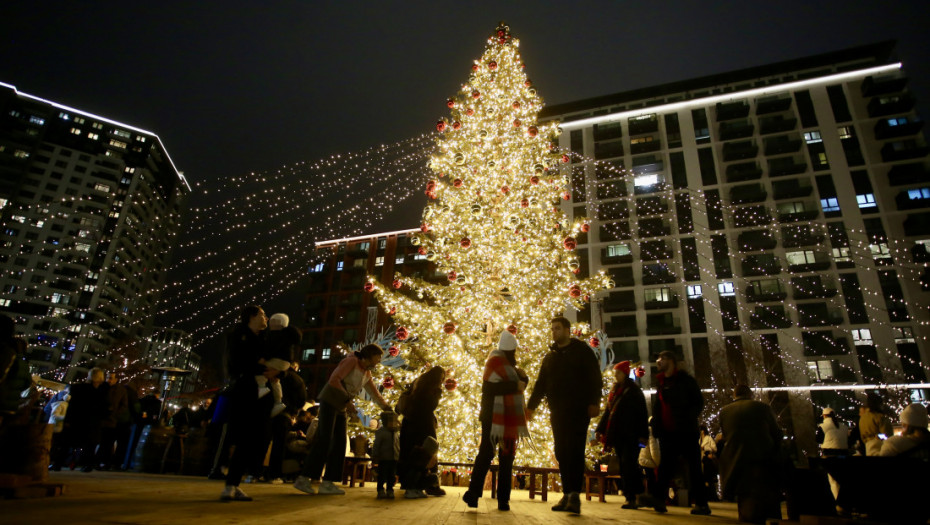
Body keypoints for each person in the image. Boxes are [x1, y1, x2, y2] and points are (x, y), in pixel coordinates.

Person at [526, 317, 602, 515]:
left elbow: (594, 377)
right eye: (552, 329)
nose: (554, 332)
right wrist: (530, 408)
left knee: (575, 450)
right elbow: (541, 384)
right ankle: (567, 493)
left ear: (568, 330)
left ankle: (574, 494)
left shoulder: (582, 352)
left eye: (558, 328)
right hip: (557, 411)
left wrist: (595, 402)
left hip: (578, 410)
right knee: (561, 451)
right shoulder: (550, 357)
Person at [293, 344, 391, 495]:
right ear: (370, 355)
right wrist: (347, 401)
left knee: (340, 442)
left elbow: (374, 393)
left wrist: (386, 407)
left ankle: (328, 482)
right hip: (331, 400)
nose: (379, 361)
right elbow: (334, 379)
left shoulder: (366, 373)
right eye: (378, 357)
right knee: (325, 438)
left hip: (341, 406)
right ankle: (304, 478)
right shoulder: (351, 362)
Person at [463, 331, 529, 511]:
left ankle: (486, 496)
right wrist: (516, 384)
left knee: (496, 455)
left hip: (502, 418)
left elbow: (520, 383)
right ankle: (485, 496)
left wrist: (522, 379)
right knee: (495, 454)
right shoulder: (494, 363)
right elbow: (490, 388)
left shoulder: (508, 366)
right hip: (494, 416)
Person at [649, 350, 711, 515]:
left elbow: (697, 402)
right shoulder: (662, 383)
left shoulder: (686, 381)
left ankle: (702, 504)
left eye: (661, 358)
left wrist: (687, 418)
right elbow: (658, 408)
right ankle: (659, 500)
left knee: (694, 468)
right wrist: (657, 426)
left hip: (686, 431)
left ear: (671, 360)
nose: (658, 361)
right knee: (665, 468)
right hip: (667, 433)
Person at [220, 357, 290, 501]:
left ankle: (234, 483)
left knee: (254, 442)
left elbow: (284, 365)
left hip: (261, 396)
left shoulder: (267, 343)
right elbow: (237, 362)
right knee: (244, 440)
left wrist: (278, 372)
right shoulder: (249, 340)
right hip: (248, 393)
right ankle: (231, 482)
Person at [718, 385, 783, 524]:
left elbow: (725, 434)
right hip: (761, 457)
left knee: (745, 495)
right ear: (750, 394)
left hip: (735, 459)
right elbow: (776, 433)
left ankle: (746, 515)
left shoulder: (724, 411)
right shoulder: (763, 408)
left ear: (734, 395)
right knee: (761, 494)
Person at [595, 360, 648, 509]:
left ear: (624, 373)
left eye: (617, 373)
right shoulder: (615, 392)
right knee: (625, 466)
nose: (615, 376)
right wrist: (600, 429)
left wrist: (643, 435)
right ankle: (635, 495)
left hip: (631, 435)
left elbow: (642, 413)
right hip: (619, 435)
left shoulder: (633, 391)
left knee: (628, 464)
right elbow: (609, 411)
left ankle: (632, 496)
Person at [398, 365, 446, 498]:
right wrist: (438, 394)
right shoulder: (432, 389)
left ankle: (409, 483)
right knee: (426, 453)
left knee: (411, 453)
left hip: (409, 422)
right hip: (423, 423)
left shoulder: (418, 382)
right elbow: (430, 406)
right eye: (441, 378)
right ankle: (428, 485)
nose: (442, 381)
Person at [53, 368, 108, 472]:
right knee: (89, 446)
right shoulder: (101, 392)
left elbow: (72, 405)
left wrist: (68, 420)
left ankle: (58, 463)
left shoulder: (78, 388)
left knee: (67, 443)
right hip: (91, 422)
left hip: (77, 420)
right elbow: (104, 408)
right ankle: (87, 465)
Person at [226, 305, 267, 384]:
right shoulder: (237, 337)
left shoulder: (263, 339)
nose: (266, 318)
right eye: (262, 315)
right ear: (252, 317)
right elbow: (237, 364)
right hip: (244, 387)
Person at [96, 371, 129, 470]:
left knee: (107, 443)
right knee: (98, 441)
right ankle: (96, 461)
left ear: (116, 379)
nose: (109, 380)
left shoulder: (121, 390)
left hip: (111, 421)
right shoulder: (102, 387)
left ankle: (105, 462)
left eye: (111, 378)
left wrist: (115, 414)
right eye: (108, 377)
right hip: (100, 419)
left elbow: (124, 405)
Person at [373, 411, 401, 499]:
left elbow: (397, 445)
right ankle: (380, 490)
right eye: (390, 421)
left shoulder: (396, 432)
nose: (393, 424)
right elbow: (376, 444)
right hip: (384, 458)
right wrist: (375, 455)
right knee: (382, 475)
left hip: (394, 458)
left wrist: (398, 455)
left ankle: (390, 489)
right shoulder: (381, 432)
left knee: (391, 476)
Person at [699, 424, 719, 500]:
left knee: (708, 477)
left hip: (707, 458)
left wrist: (706, 448)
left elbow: (714, 448)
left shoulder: (709, 438)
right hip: (701, 458)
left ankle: (712, 496)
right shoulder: (699, 440)